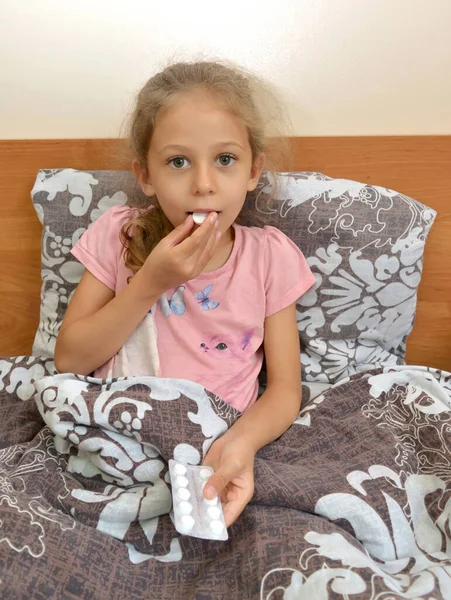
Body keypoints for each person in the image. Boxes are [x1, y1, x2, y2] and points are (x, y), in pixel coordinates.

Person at [54, 59, 316, 528]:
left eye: (225, 159)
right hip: (119, 424)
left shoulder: (269, 256)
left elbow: (284, 389)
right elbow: (69, 361)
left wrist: (238, 446)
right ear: (146, 175)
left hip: (218, 437)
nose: (203, 184)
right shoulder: (121, 236)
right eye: (178, 161)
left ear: (253, 170)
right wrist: (150, 283)